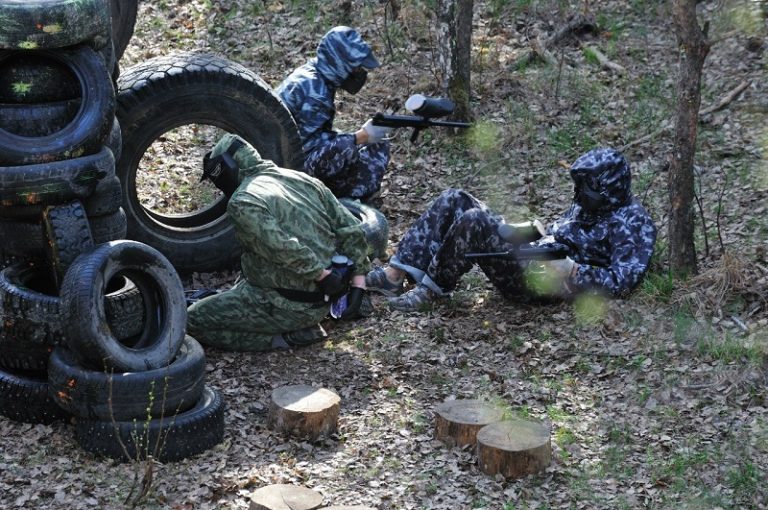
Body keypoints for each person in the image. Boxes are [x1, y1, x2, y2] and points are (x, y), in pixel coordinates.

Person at [365, 147, 657, 311]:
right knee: (455, 198)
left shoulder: (633, 224)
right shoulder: (593, 204)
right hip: (537, 253)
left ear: (609, 187)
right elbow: (565, 231)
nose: (579, 195)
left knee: (475, 221)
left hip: (546, 283)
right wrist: (536, 231)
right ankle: (395, 274)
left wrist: (574, 271)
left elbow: (623, 281)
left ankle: (430, 292)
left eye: (587, 188)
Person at [187, 134, 371, 351]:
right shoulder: (300, 179)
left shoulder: (244, 201)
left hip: (287, 305)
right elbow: (350, 228)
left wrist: (320, 275)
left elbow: (282, 247)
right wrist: (359, 284)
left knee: (191, 320)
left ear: (226, 168)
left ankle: (288, 337)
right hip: (325, 298)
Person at [276, 26, 392, 201]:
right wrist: (361, 136)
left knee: (356, 143)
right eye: (356, 68)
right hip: (287, 172)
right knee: (357, 145)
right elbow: (308, 151)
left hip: (279, 159)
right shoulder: (316, 94)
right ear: (339, 62)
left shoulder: (312, 75)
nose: (360, 73)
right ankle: (350, 201)